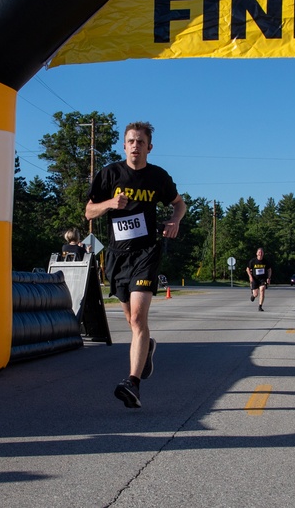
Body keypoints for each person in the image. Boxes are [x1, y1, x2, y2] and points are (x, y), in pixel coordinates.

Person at [85, 121, 186, 408]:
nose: (135, 146)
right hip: (118, 256)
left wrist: (175, 220)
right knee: (132, 321)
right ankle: (148, 347)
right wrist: (109, 204)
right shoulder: (109, 174)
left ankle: (133, 382)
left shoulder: (158, 177)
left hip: (146, 253)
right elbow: (89, 211)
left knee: (139, 320)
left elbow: (180, 203)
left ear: (149, 147)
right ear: (124, 145)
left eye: (141, 142)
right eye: (131, 141)